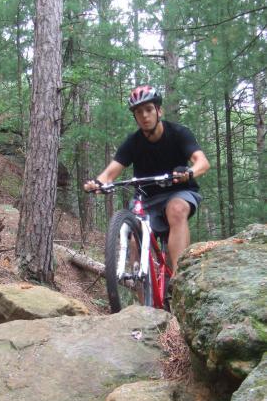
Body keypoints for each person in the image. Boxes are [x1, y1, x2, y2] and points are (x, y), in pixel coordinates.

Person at [84, 85, 210, 272]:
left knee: (176, 209)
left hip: (178, 191)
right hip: (146, 198)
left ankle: (178, 279)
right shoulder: (132, 142)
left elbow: (202, 162)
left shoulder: (178, 133)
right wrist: (98, 183)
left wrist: (189, 173)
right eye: (138, 112)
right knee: (135, 239)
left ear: (159, 110)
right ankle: (143, 296)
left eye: (149, 109)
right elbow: (110, 173)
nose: (144, 116)